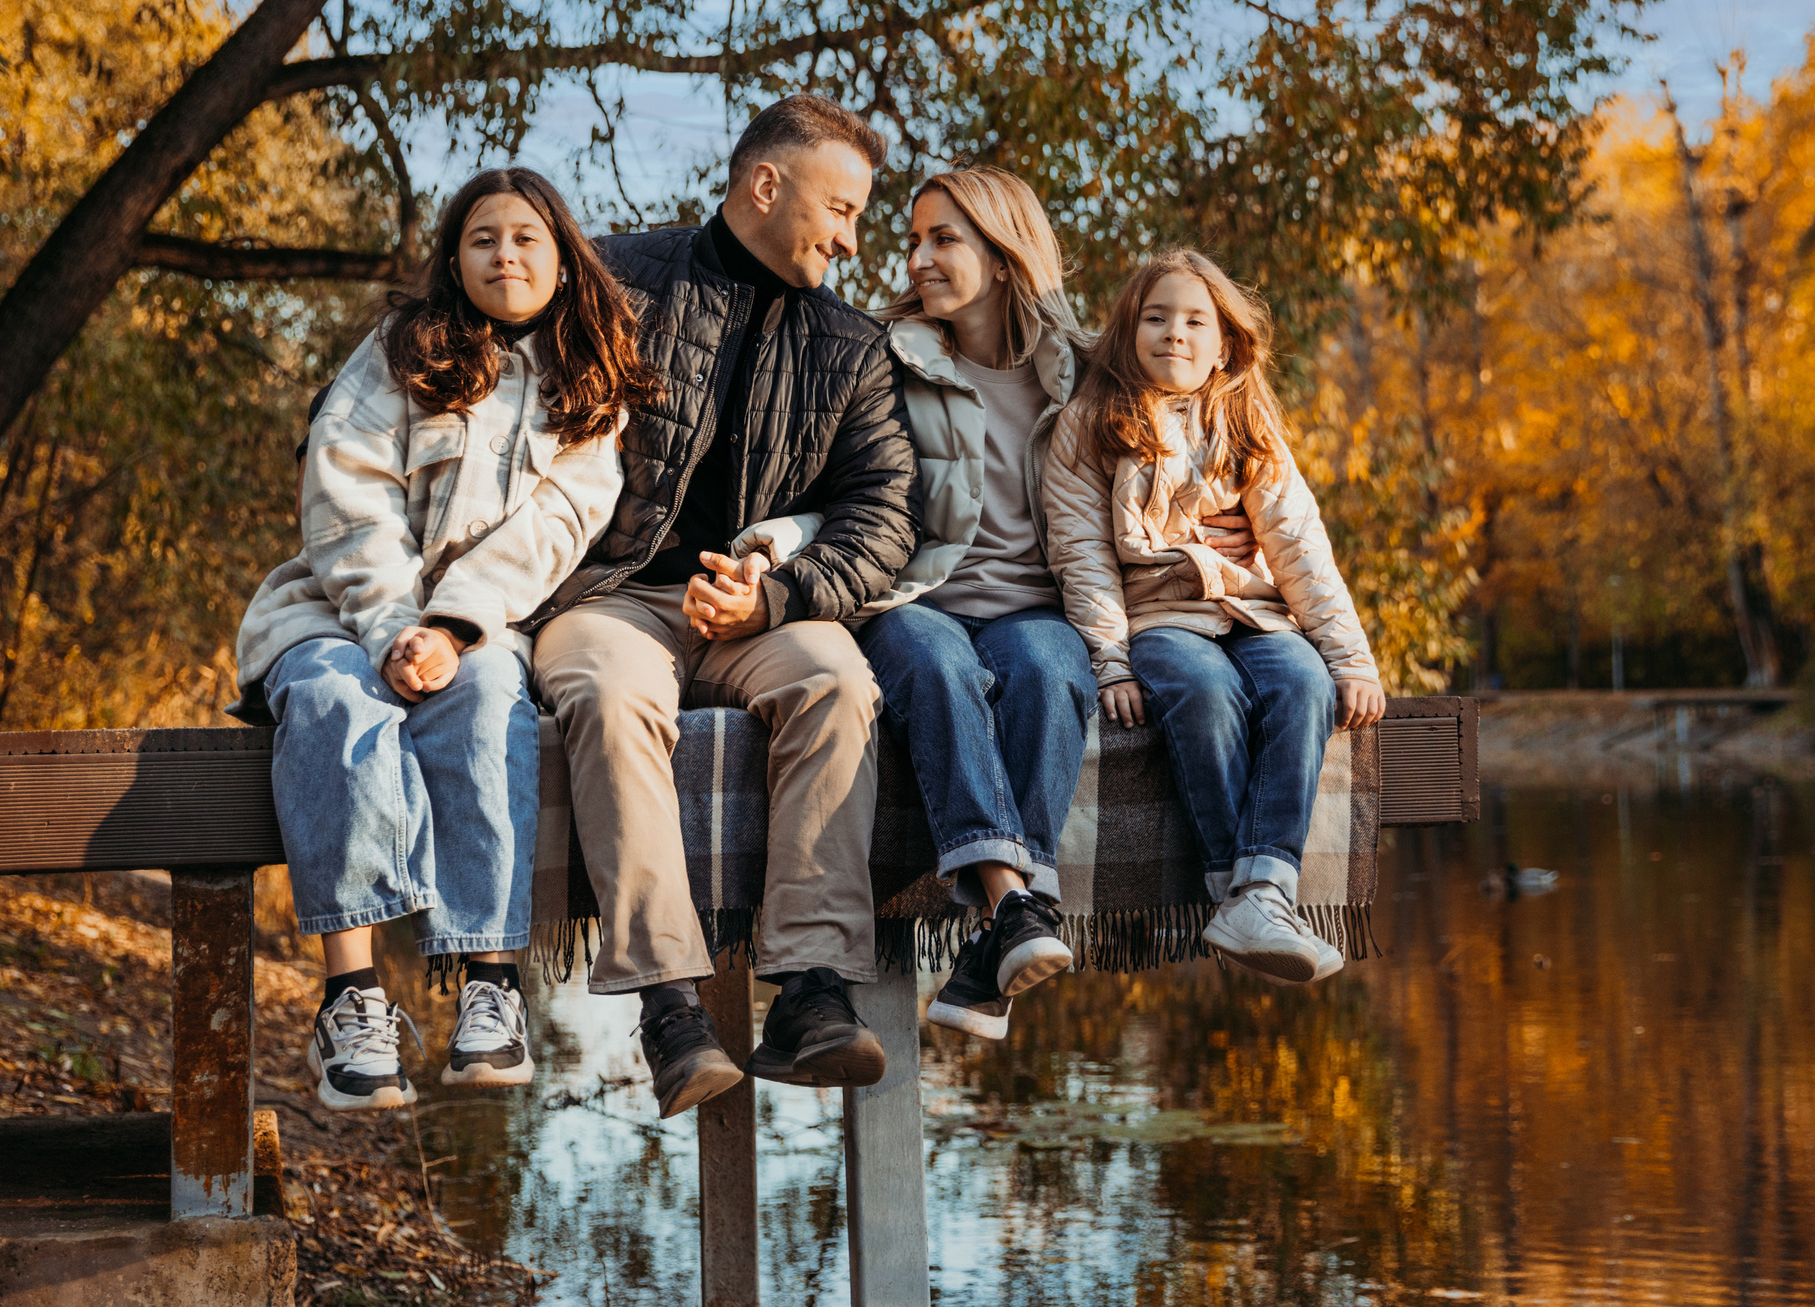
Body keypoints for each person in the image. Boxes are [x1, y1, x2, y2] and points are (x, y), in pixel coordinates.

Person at [524, 95, 917, 1119]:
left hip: (766, 613)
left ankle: (814, 991)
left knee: (837, 679)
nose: (850, 237)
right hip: (607, 597)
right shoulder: (606, 281)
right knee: (607, 697)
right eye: (841, 208)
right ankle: (669, 1006)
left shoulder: (853, 343)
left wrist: (778, 595)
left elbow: (881, 516)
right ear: (764, 185)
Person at [235, 167, 653, 1111]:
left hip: (479, 623)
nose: (504, 254)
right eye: (482, 239)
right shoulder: (398, 353)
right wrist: (392, 628)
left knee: (489, 704)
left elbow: (558, 527)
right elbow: (347, 494)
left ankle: (489, 988)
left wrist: (454, 626)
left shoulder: (588, 385)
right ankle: (352, 997)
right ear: (454, 258)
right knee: (337, 700)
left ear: (561, 257)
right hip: (340, 609)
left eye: (525, 239)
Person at [739, 167, 1094, 1041]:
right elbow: (850, 494)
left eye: (945, 238)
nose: (918, 258)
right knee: (933, 661)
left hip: (1031, 609)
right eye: (915, 239)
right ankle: (1013, 907)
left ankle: (995, 942)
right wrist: (780, 541)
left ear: (1006, 257)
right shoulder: (884, 354)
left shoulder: (1080, 373)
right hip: (914, 597)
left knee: (1053, 668)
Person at [1039, 249, 1386, 985]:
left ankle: (1263, 887)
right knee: (1204, 690)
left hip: (1255, 611)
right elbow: (1083, 556)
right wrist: (1112, 661)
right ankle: (1236, 883)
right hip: (1160, 620)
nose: (1175, 333)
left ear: (1224, 343)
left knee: (1302, 682)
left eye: (1196, 320)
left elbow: (1298, 545)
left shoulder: (1246, 422)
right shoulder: (1091, 425)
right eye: (1156, 317)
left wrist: (1350, 657)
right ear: (1129, 333)